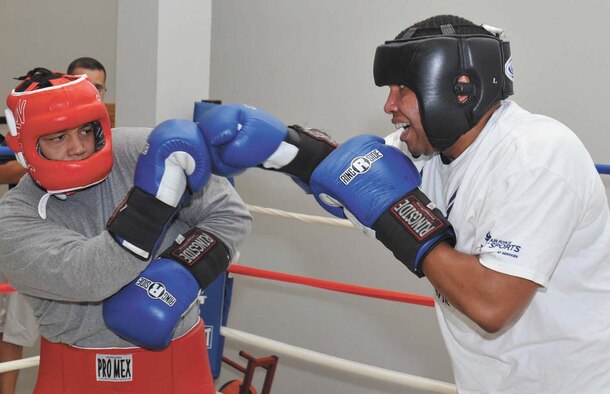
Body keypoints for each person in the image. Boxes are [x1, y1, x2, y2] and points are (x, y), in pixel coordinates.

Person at [195, 15, 610, 394]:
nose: (389, 106)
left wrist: (400, 213)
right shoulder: (427, 151)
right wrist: (280, 148)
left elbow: (492, 302)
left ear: (459, 90)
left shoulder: (537, 156)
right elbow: (347, 178)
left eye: (403, 90)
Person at [0, 67, 252, 393]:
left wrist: (181, 270)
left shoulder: (138, 152)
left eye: (86, 131)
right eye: (58, 137)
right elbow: (92, 276)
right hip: (74, 376)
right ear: (25, 148)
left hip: (180, 365)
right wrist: (155, 199)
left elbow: (230, 214)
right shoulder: (13, 222)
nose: (78, 147)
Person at [0, 134, 38, 394]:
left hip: (42, 238)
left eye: (99, 89)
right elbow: (6, 172)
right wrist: (44, 165)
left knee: (16, 325)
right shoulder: (21, 129)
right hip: (17, 230)